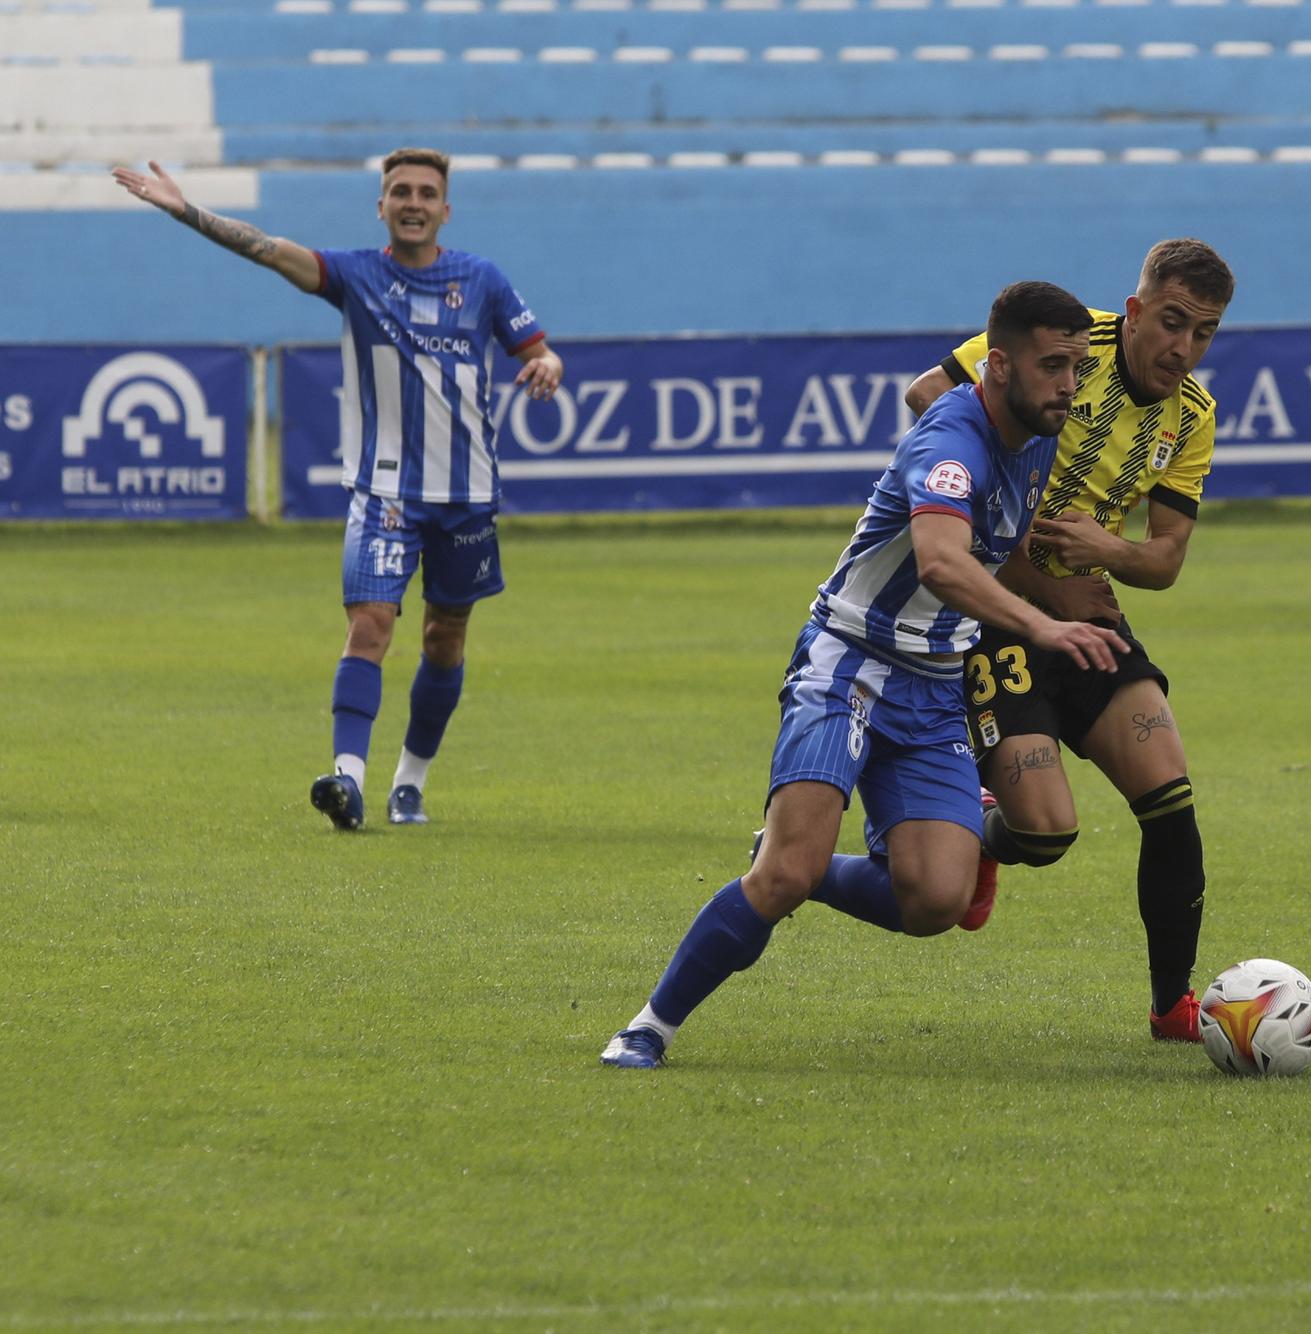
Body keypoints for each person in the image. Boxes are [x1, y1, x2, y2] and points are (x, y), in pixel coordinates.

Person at [601, 281, 1126, 1070]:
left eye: (1076, 368)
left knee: (935, 902)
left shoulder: (1039, 437)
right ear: (999, 368)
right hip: (848, 662)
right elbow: (943, 561)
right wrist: (1044, 622)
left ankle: (806, 866)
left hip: (934, 683)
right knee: (780, 875)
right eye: (1053, 366)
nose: (1069, 385)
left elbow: (993, 544)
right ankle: (648, 1026)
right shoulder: (950, 442)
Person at [112, 149, 563, 831]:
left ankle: (409, 782)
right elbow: (266, 249)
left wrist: (549, 363)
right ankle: (348, 781)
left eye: (426, 192)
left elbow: (535, 350)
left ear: (445, 208)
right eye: (399, 191)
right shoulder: (355, 275)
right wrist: (187, 212)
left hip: (465, 494)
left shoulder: (482, 280)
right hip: (382, 491)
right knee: (370, 626)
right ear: (380, 206)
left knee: (445, 637)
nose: (413, 201)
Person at [902, 239, 1232, 1042]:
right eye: (1174, 323)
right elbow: (924, 396)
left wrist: (1106, 551)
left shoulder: (1191, 416)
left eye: (1205, 333)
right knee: (1047, 835)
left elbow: (1163, 563)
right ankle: (985, 832)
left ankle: (1172, 1006)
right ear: (1138, 309)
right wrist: (1019, 560)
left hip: (1088, 619)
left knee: (1172, 795)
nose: (1183, 348)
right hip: (991, 617)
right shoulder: (1062, 344)